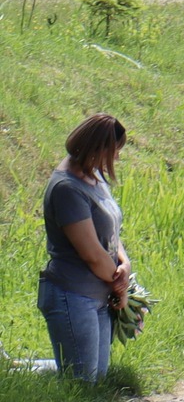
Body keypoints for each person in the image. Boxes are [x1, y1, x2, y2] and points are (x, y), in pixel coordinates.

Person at [39, 114, 131, 381]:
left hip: (100, 292)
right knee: (83, 381)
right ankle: (24, 372)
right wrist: (119, 283)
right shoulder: (67, 189)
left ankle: (34, 370)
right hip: (73, 295)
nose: (116, 159)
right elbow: (91, 253)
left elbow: (110, 230)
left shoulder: (95, 178)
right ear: (95, 148)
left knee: (96, 377)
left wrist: (124, 264)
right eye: (113, 152)